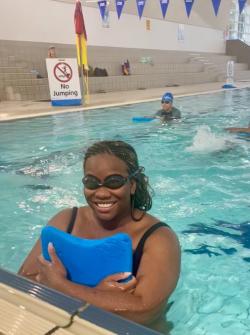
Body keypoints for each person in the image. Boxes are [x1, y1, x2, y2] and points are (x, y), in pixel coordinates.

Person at [18, 140, 180, 329]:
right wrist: (96, 295)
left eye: (114, 182)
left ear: (133, 184)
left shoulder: (158, 238)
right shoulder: (66, 221)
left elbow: (145, 311)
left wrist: (62, 287)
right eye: (91, 182)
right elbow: (22, 280)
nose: (101, 193)